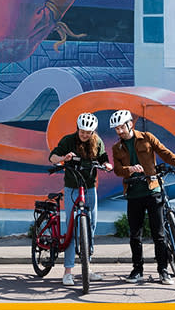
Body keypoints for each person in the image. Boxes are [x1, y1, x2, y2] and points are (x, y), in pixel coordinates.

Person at [109, 108, 175, 284]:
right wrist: (129, 170)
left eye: (121, 127)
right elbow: (117, 170)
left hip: (152, 190)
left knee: (158, 234)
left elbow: (164, 152)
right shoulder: (117, 147)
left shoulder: (146, 137)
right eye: (116, 129)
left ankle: (163, 270)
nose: (119, 131)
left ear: (130, 124)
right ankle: (137, 270)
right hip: (133, 193)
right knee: (135, 235)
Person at [48, 112, 112, 285]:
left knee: (90, 226)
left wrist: (107, 165)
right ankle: (68, 271)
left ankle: (87, 267)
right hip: (72, 188)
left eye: (88, 132)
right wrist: (63, 158)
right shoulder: (68, 140)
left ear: (93, 132)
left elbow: (104, 157)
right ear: (78, 129)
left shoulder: (97, 142)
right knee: (71, 226)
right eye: (82, 131)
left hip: (90, 187)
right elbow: (52, 157)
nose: (85, 134)